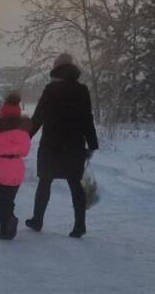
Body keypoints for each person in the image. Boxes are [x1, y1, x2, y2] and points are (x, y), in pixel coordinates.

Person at [25, 53, 99, 238]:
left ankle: (37, 220)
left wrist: (25, 136)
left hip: (52, 144)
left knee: (45, 182)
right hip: (74, 144)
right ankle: (79, 226)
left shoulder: (51, 89)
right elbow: (87, 118)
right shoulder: (82, 90)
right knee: (75, 183)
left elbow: (39, 116)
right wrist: (92, 143)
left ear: (57, 69)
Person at [0, 92, 32, 240]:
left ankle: (8, 221)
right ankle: (5, 231)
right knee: (8, 200)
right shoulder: (23, 133)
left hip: (0, 168)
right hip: (17, 169)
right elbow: (25, 150)